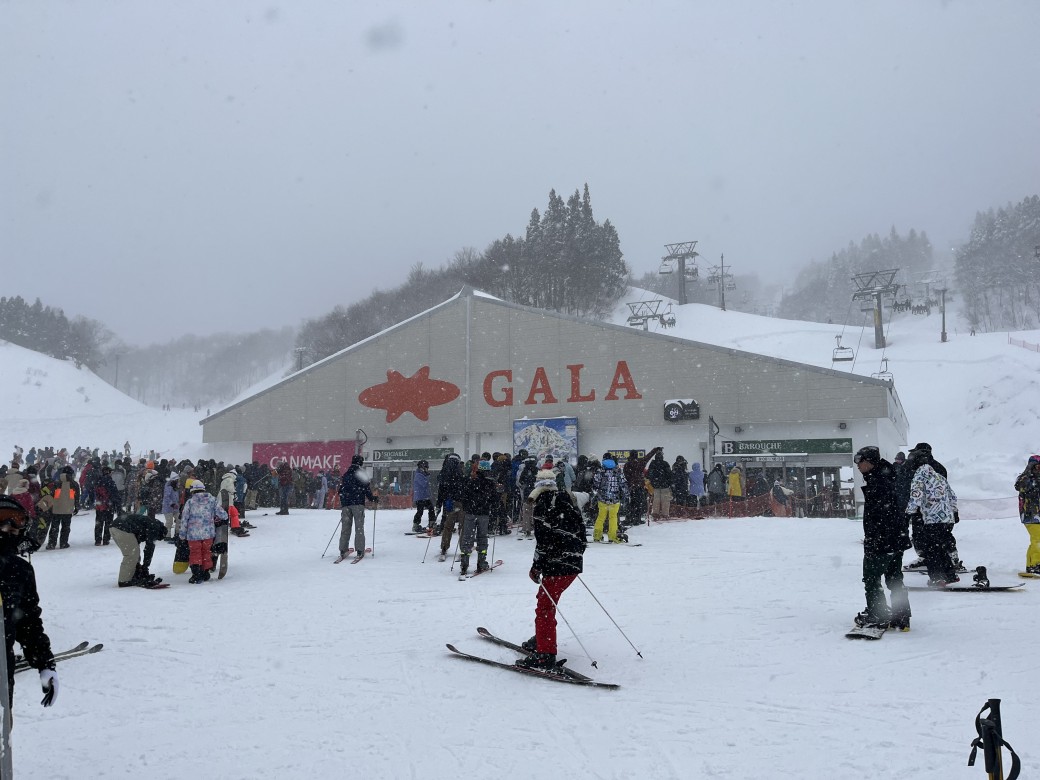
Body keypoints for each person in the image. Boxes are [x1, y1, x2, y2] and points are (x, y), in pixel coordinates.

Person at [516, 478, 587, 670]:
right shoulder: (570, 504)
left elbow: (543, 542)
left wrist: (536, 567)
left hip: (557, 565)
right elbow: (582, 535)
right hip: (572, 562)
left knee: (545, 607)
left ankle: (545, 654)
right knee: (547, 601)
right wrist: (573, 558)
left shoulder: (543, 507)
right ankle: (542, 638)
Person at [0, 495, 58, 708]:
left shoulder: (20, 570)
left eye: (16, 522)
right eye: (4, 520)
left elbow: (29, 622)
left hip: (2, 676)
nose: (10, 528)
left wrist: (45, 664)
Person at [852, 446, 912, 630]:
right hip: (896, 539)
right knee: (894, 578)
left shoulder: (879, 482)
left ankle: (878, 615)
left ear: (869, 462)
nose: (857, 465)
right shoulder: (889, 477)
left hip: (882, 540)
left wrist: (876, 539)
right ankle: (901, 616)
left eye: (859, 461)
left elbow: (883, 515)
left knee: (871, 578)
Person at [905, 445, 959, 587]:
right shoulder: (938, 475)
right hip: (946, 518)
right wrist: (954, 511)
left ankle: (936, 578)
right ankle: (950, 574)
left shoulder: (919, 474)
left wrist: (908, 512)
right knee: (940, 546)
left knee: (931, 548)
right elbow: (952, 495)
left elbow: (916, 495)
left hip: (931, 518)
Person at [180, 480, 227, 584]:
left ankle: (196, 574)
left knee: (195, 552)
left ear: (192, 490)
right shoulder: (212, 500)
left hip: (193, 534)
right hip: (208, 534)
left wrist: (182, 534)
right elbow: (223, 514)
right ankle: (205, 573)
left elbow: (184, 519)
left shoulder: (190, 502)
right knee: (206, 552)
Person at [110, 510, 167, 588]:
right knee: (131, 555)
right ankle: (124, 581)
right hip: (123, 528)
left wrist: (140, 567)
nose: (156, 539)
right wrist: (145, 566)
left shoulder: (150, 523)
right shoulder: (155, 527)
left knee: (134, 553)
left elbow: (137, 542)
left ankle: (134, 574)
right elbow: (149, 548)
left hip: (115, 526)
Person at [459, 460, 497, 575]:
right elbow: (494, 500)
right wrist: (493, 511)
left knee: (467, 537)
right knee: (482, 537)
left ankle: (464, 562)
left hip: (470, 513)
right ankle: (481, 562)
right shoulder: (490, 484)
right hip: (484, 514)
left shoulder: (471, 482)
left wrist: (467, 508)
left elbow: (464, 497)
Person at [337, 455, 378, 562]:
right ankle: (359, 550)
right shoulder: (361, 473)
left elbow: (341, 489)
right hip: (357, 503)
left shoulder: (346, 474)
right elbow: (366, 488)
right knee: (359, 528)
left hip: (346, 503)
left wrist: (344, 500)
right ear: (361, 463)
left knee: (345, 527)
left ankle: (343, 549)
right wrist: (372, 498)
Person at [592, 455, 629, 544]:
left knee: (601, 517)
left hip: (602, 499)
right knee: (613, 518)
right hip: (614, 499)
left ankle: (597, 536)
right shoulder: (618, 471)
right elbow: (623, 484)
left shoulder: (600, 471)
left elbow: (595, 485)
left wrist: (595, 495)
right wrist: (626, 495)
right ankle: (612, 537)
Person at [436, 453, 466, 559]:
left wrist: (439, 504)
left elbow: (441, 490)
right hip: (461, 501)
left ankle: (444, 547)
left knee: (448, 526)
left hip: (449, 502)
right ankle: (464, 548)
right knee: (462, 526)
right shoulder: (460, 471)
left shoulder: (444, 472)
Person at [1014, 454, 1040, 575]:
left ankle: (1031, 564)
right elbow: (1019, 486)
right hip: (1031, 514)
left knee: (1036, 540)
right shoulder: (1025, 479)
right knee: (1038, 539)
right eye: (1037, 467)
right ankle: (1035, 564)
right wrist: (1029, 475)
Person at [622, 447, 661, 526]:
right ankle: (637, 519)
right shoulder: (640, 462)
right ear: (636, 455)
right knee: (639, 503)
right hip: (639, 486)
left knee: (631, 503)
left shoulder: (627, 464)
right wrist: (655, 449)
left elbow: (626, 475)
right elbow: (648, 456)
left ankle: (629, 518)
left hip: (631, 487)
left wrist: (631, 482)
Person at [47, 467, 78, 549]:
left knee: (54, 527)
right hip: (68, 508)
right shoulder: (74, 484)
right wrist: (77, 507)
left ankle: (51, 543)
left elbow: (51, 495)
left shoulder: (56, 483)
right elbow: (76, 497)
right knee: (66, 527)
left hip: (57, 508)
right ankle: (63, 543)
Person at [94, 464, 120, 546]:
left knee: (99, 522)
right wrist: (117, 504)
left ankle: (98, 540)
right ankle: (106, 539)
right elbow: (115, 494)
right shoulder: (110, 482)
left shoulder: (98, 481)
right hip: (109, 505)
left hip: (99, 505)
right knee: (108, 523)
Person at [646, 450, 672, 519]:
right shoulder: (665, 463)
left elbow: (649, 474)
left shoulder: (652, 464)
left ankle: (655, 514)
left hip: (656, 486)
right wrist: (669, 483)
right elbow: (669, 474)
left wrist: (653, 482)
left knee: (656, 500)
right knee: (665, 501)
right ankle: (665, 514)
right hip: (665, 486)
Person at [411, 460, 435, 533]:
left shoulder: (423, 474)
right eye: (426, 467)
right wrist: (427, 476)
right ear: (422, 467)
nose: (427, 469)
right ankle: (415, 525)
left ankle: (432, 523)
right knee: (420, 511)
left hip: (425, 496)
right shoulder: (418, 475)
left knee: (431, 508)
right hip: (420, 497)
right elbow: (424, 484)